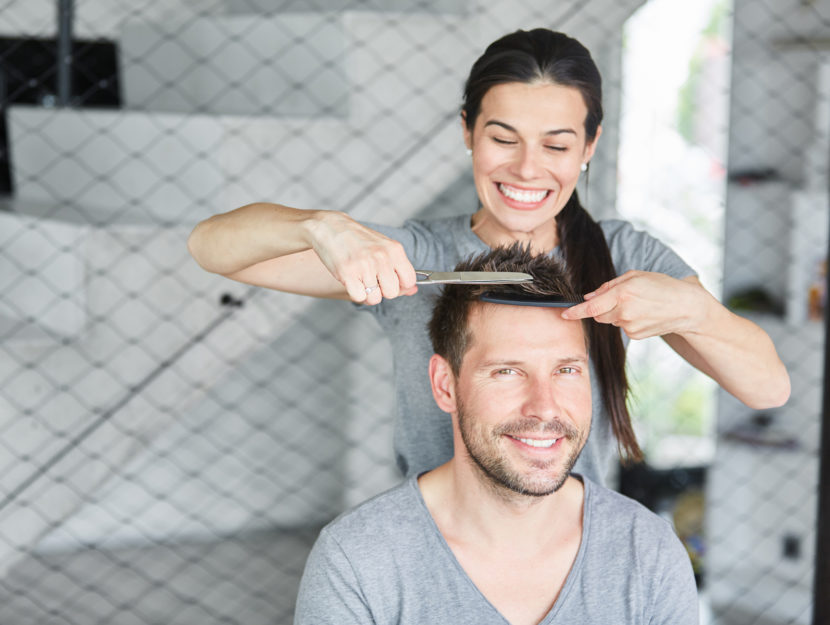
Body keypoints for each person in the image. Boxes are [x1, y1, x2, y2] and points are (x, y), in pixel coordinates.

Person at [187, 28, 790, 483]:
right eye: (503, 138)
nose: (527, 168)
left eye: (556, 145)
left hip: (578, 548)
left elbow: (768, 389)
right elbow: (210, 246)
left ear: (589, 147)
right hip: (436, 539)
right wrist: (323, 227)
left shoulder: (623, 253)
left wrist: (694, 311)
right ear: (468, 131)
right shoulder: (415, 257)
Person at [293, 245, 700, 625]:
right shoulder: (358, 560)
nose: (544, 407)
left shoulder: (649, 552)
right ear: (445, 385)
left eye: (566, 370)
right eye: (507, 371)